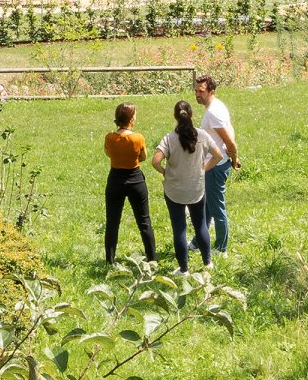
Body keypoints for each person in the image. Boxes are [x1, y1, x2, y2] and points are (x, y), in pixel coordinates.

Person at [157, 100, 214, 271]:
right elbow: (218, 155)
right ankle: (207, 263)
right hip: (196, 188)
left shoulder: (169, 138)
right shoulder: (202, 135)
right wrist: (204, 169)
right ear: (191, 115)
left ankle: (184, 270)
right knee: (201, 224)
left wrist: (164, 172)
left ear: (175, 117)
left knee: (179, 229)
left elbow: (155, 161)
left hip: (174, 190)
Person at [101, 103, 156, 264]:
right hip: (135, 180)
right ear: (131, 119)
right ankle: (152, 258)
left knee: (112, 221)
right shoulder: (138, 137)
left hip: (115, 180)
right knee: (144, 221)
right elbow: (144, 157)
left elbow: (108, 153)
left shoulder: (110, 137)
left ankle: (109, 260)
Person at [193, 73, 240, 252]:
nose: (198, 94)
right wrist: (232, 156)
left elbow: (229, 141)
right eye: (196, 91)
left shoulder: (213, 112)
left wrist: (234, 157)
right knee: (207, 206)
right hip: (215, 164)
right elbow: (231, 132)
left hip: (215, 166)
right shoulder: (217, 106)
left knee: (216, 208)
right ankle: (198, 242)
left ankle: (221, 248)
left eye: (201, 91)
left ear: (212, 91)